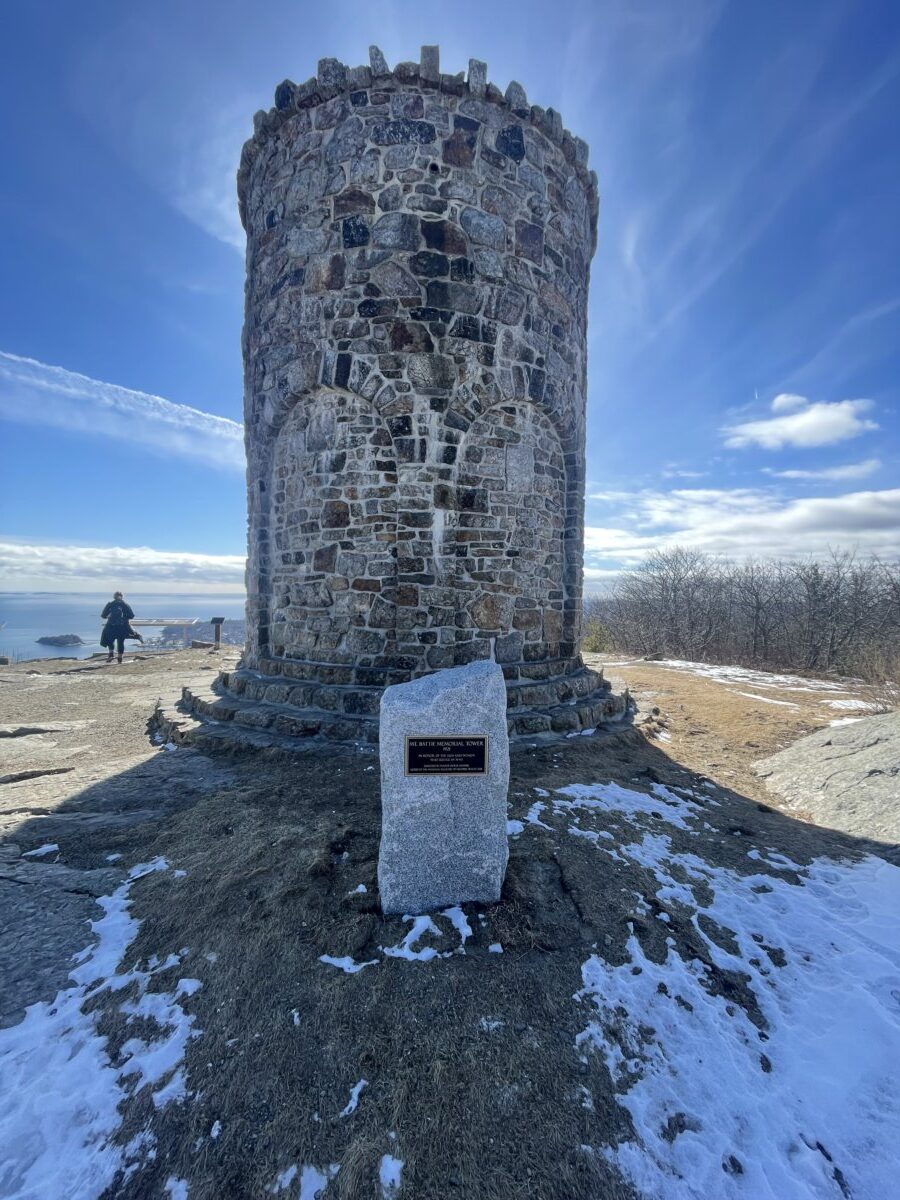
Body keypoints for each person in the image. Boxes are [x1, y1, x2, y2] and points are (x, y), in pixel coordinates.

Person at [100, 591, 143, 663]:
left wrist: (109, 616)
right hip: (122, 626)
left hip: (111, 625)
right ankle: (119, 659)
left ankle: (111, 655)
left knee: (109, 639)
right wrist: (124, 618)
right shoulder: (125, 605)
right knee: (120, 642)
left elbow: (103, 616)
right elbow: (131, 616)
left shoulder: (110, 604)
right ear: (122, 597)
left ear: (114, 597)